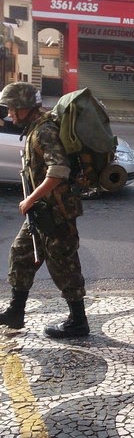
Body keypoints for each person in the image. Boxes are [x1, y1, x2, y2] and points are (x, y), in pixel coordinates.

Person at [0, 83, 89, 338]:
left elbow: (59, 170)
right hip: (41, 212)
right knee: (21, 255)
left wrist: (30, 199)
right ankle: (16, 312)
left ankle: (78, 321)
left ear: (25, 107)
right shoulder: (34, 128)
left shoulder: (45, 131)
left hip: (57, 212)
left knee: (64, 265)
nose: (10, 114)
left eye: (13, 109)